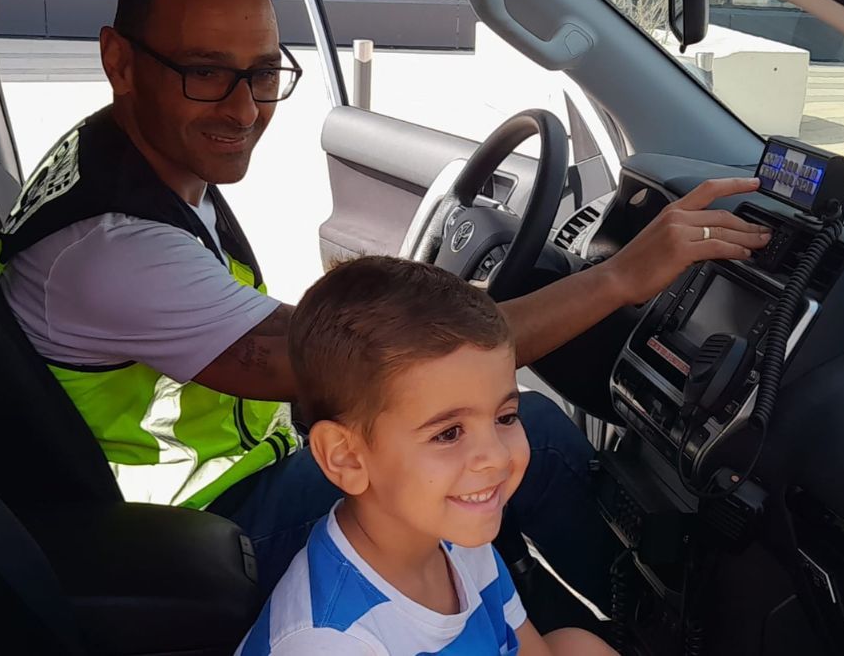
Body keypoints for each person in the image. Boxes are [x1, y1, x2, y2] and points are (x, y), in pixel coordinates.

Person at [0, 0, 770, 601]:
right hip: (199, 534)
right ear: (119, 62)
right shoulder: (113, 249)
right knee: (532, 437)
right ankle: (632, 624)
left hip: (218, 483)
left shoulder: (125, 161)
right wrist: (619, 279)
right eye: (205, 73)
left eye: (263, 73)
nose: (244, 107)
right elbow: (379, 373)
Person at [237, 256, 616, 655]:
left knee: (579, 645)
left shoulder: (455, 537)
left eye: (506, 417)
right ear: (346, 458)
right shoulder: (331, 641)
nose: (495, 457)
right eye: (449, 433)